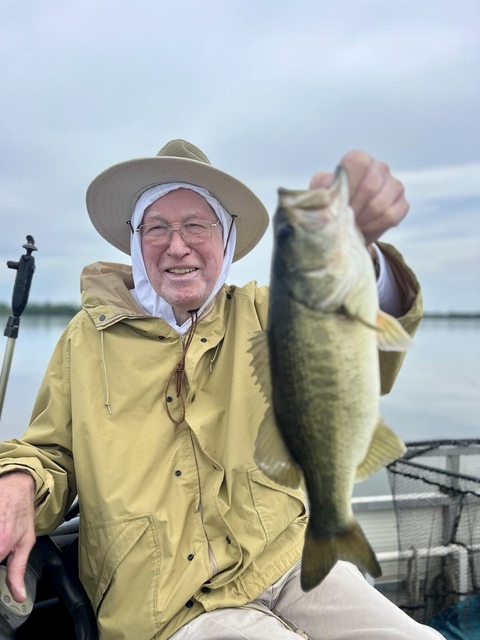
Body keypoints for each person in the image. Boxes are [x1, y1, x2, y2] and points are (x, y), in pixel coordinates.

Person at [0, 139, 444, 640]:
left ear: (226, 237)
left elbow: (367, 345)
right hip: (168, 606)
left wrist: (362, 256)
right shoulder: (84, 339)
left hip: (288, 561)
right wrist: (19, 479)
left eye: (196, 224)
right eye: (157, 227)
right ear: (135, 239)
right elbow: (50, 452)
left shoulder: (269, 312)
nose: (177, 245)